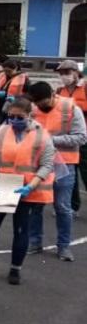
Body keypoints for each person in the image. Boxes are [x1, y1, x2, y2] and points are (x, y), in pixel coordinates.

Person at [0, 98, 55, 284]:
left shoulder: (42, 136)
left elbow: (47, 164)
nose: (14, 120)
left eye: (19, 117)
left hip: (26, 189)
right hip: (4, 185)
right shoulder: (2, 131)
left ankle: (15, 268)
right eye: (11, 116)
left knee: (21, 228)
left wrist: (30, 186)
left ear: (29, 116)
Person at [26, 81, 85, 261]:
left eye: (44, 103)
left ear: (53, 95)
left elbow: (81, 137)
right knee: (35, 205)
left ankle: (63, 247)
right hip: (37, 164)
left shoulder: (71, 109)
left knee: (62, 206)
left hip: (64, 165)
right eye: (38, 104)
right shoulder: (32, 109)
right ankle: (35, 242)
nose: (41, 107)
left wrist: (49, 140)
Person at [54, 59, 87, 212]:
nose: (64, 76)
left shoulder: (85, 88)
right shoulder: (60, 91)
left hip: (83, 135)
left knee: (85, 172)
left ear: (76, 73)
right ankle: (72, 206)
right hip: (67, 137)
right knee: (68, 172)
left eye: (67, 73)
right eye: (61, 73)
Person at [0, 56, 28, 133]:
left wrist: (15, 98)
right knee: (2, 127)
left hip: (15, 106)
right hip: (0, 106)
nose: (7, 73)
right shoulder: (1, 76)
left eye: (9, 71)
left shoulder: (24, 79)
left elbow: (28, 94)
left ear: (16, 69)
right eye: (6, 71)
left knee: (12, 128)